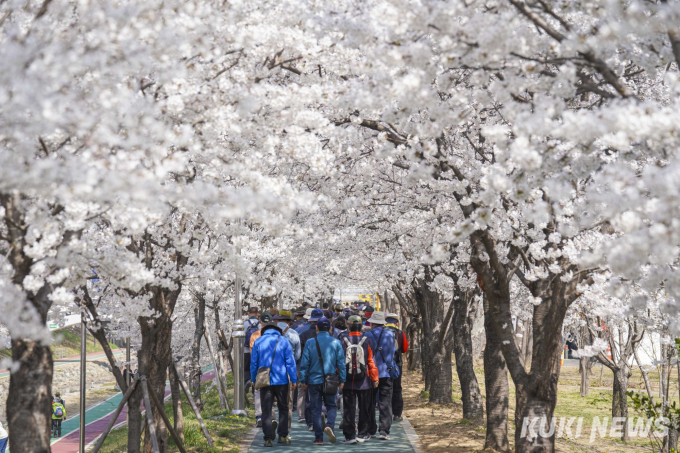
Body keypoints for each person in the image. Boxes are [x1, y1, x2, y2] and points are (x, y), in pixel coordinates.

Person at [299, 317, 346, 445]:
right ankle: (330, 425)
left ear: (317, 328)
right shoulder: (336, 342)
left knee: (315, 409)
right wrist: (342, 380)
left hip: (314, 380)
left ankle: (318, 438)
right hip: (331, 380)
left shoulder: (310, 342)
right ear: (330, 329)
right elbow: (341, 363)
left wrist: (303, 380)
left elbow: (305, 363)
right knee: (331, 406)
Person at [250, 321, 298, 447]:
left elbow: (253, 363)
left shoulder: (258, 342)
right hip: (281, 380)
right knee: (283, 408)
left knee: (266, 410)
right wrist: (293, 379)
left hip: (264, 381)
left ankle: (268, 439)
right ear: (277, 330)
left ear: (265, 330)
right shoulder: (283, 341)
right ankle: (283, 436)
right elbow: (290, 362)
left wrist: (253, 379)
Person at [340, 315, 380, 443]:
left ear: (348, 325)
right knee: (364, 408)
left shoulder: (342, 339)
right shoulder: (366, 340)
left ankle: (349, 435)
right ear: (361, 326)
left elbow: (339, 361)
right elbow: (371, 361)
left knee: (348, 409)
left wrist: (340, 378)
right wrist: (374, 378)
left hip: (347, 381)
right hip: (364, 381)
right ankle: (362, 434)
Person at [364, 311, 396, 440]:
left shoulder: (366, 335)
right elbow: (392, 353)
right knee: (385, 402)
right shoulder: (389, 334)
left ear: (371, 323)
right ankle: (384, 431)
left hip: (370, 373)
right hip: (385, 372)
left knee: (370, 402)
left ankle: (371, 429)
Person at [274, 310, 301, 432]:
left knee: (268, 399)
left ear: (277, 320)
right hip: (288, 371)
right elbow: (297, 355)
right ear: (290, 322)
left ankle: (271, 420)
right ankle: (286, 430)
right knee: (287, 402)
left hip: (270, 370)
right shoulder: (294, 334)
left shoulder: (268, 333)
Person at [298, 308, 324, 429]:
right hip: (326, 370)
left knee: (309, 398)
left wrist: (303, 376)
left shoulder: (303, 335)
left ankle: (311, 422)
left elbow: (302, 356)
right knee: (326, 395)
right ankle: (323, 413)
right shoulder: (330, 334)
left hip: (310, 370)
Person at [250, 312, 274, 427]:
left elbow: (252, 355)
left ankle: (260, 416)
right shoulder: (277, 335)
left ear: (260, 322)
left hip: (260, 368)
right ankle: (271, 416)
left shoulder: (255, 335)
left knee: (258, 391)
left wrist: (253, 375)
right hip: (275, 368)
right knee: (273, 391)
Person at [385, 313, 408, 422]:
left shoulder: (382, 332)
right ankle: (397, 414)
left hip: (383, 365)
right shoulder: (400, 333)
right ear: (396, 323)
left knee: (385, 388)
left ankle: (385, 412)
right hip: (396, 365)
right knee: (397, 389)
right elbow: (404, 349)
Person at [244, 306, 261, 390]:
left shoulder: (245, 323)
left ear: (248, 314)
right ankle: (255, 388)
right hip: (257, 351)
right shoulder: (260, 324)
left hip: (246, 350)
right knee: (256, 368)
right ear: (257, 314)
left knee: (246, 368)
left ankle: (247, 381)